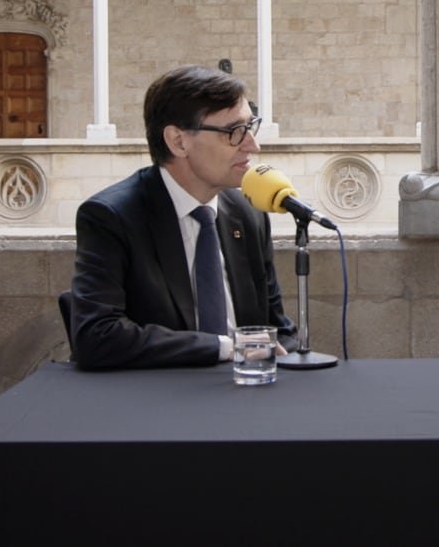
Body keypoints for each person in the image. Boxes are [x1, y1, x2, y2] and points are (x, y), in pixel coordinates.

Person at [67, 64, 296, 369]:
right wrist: (224, 347)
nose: (253, 145)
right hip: (159, 392)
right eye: (234, 132)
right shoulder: (111, 217)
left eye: (250, 126)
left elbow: (278, 331)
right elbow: (96, 335)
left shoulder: (248, 212)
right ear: (178, 141)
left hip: (245, 388)